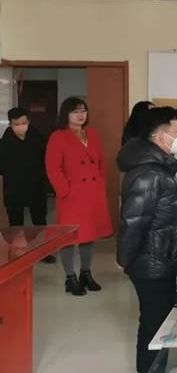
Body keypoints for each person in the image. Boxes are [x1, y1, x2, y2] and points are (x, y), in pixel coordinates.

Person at [116, 107, 177, 373]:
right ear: (160, 137)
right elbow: (133, 222)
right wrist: (124, 258)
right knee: (155, 324)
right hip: (151, 263)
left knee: (161, 320)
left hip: (161, 259)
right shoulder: (149, 175)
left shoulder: (158, 169)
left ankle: (158, 366)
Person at [46, 97, 112, 295]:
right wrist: (65, 190)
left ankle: (86, 273)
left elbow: (101, 161)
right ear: (65, 114)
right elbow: (53, 168)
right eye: (75, 111)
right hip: (72, 195)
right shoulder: (58, 137)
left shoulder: (92, 133)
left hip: (92, 192)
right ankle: (70, 277)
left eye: (83, 110)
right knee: (69, 236)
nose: (80, 115)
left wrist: (100, 184)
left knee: (88, 234)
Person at [0, 108, 56, 263]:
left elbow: (47, 158)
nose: (21, 126)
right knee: (16, 222)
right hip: (14, 187)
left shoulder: (37, 138)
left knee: (39, 220)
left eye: (23, 123)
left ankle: (43, 252)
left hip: (36, 186)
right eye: (17, 124)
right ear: (10, 124)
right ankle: (17, 253)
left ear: (28, 122)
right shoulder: (5, 142)